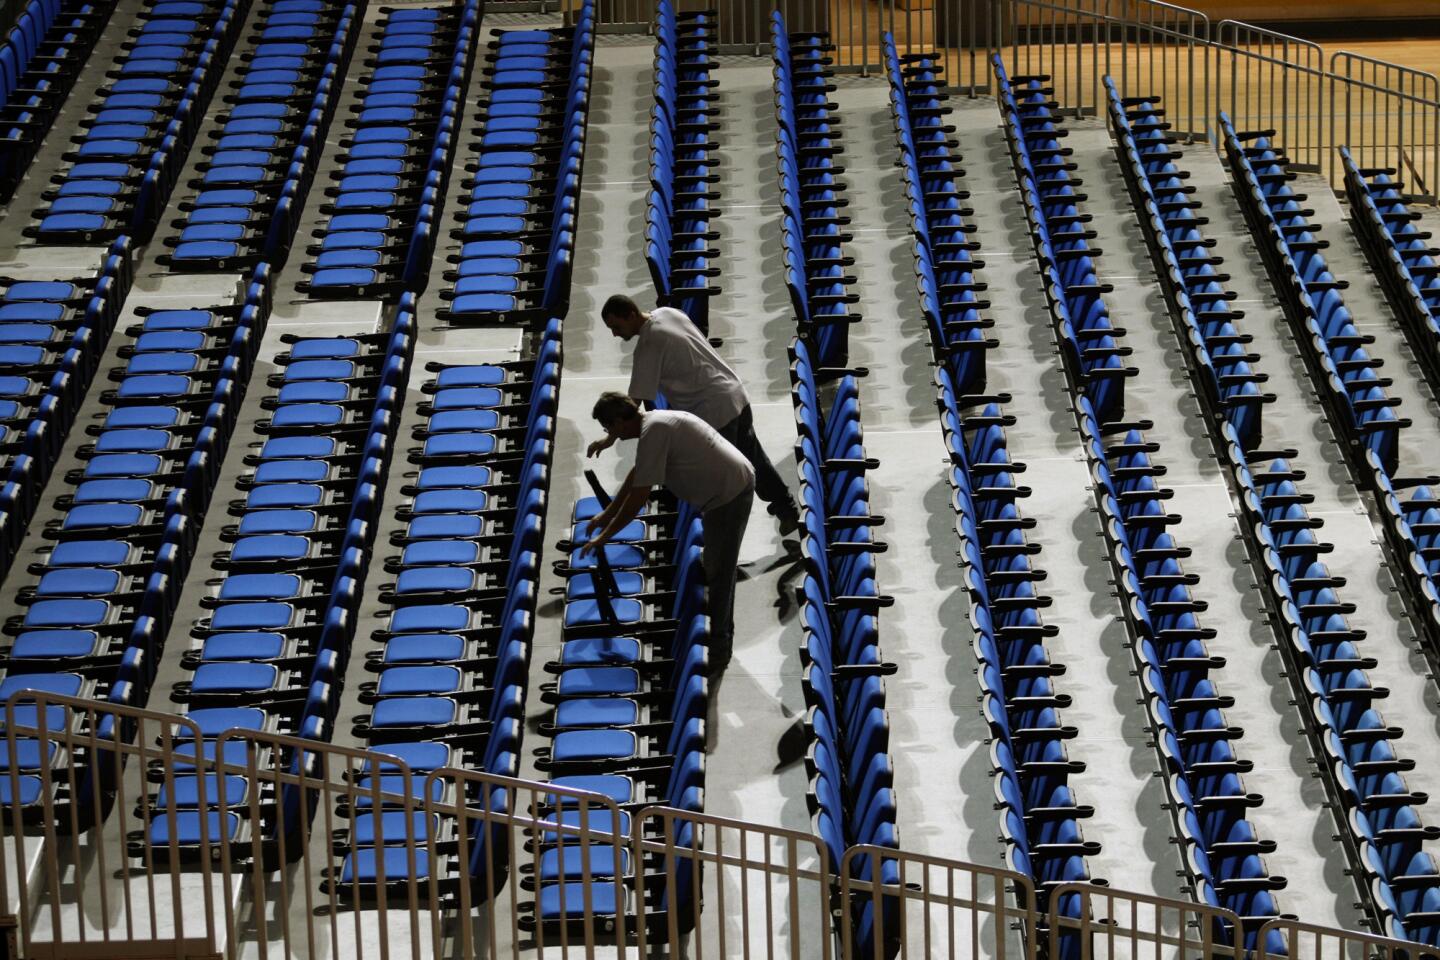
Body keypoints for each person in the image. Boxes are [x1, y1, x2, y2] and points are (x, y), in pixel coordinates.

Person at [588, 294, 799, 533]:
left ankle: (720, 545)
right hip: (734, 393)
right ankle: (787, 508)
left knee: (719, 485)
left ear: (631, 315)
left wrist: (610, 438)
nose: (615, 334)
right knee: (754, 459)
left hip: (714, 412)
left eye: (616, 326)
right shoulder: (668, 313)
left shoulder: (648, 346)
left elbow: (630, 404)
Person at [583, 392, 754, 673]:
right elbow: (639, 473)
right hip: (721, 493)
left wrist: (604, 536)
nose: (609, 434)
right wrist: (607, 513)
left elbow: (639, 498)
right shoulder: (653, 425)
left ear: (618, 422)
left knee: (720, 575)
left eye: (607, 428)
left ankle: (720, 649)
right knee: (714, 566)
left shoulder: (655, 430)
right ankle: (718, 637)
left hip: (729, 494)